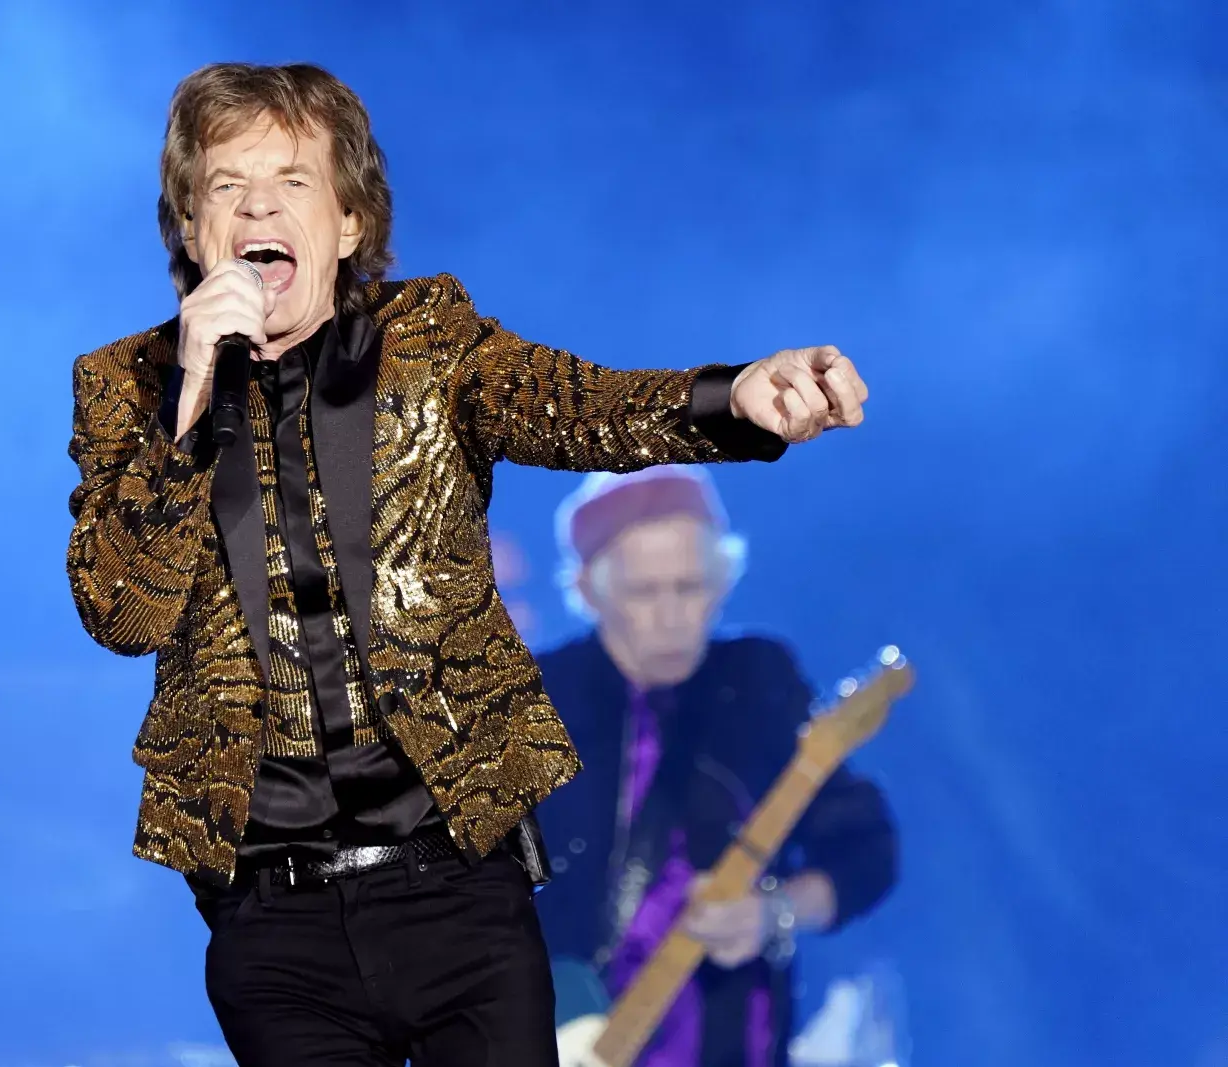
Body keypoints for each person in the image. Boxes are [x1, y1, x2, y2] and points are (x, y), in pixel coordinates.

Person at [65, 62, 871, 1067]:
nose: (259, 205)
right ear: (192, 230)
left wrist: (734, 396)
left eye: (292, 180)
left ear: (348, 223)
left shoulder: (429, 343)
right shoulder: (128, 387)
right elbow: (121, 612)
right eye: (228, 185)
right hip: (273, 919)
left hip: (454, 885)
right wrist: (188, 407)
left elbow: (581, 405)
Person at [534, 465, 898, 1067]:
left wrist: (774, 912)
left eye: (692, 587)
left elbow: (865, 849)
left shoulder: (758, 680)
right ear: (589, 590)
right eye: (644, 592)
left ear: (724, 579)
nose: (672, 615)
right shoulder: (535, 697)